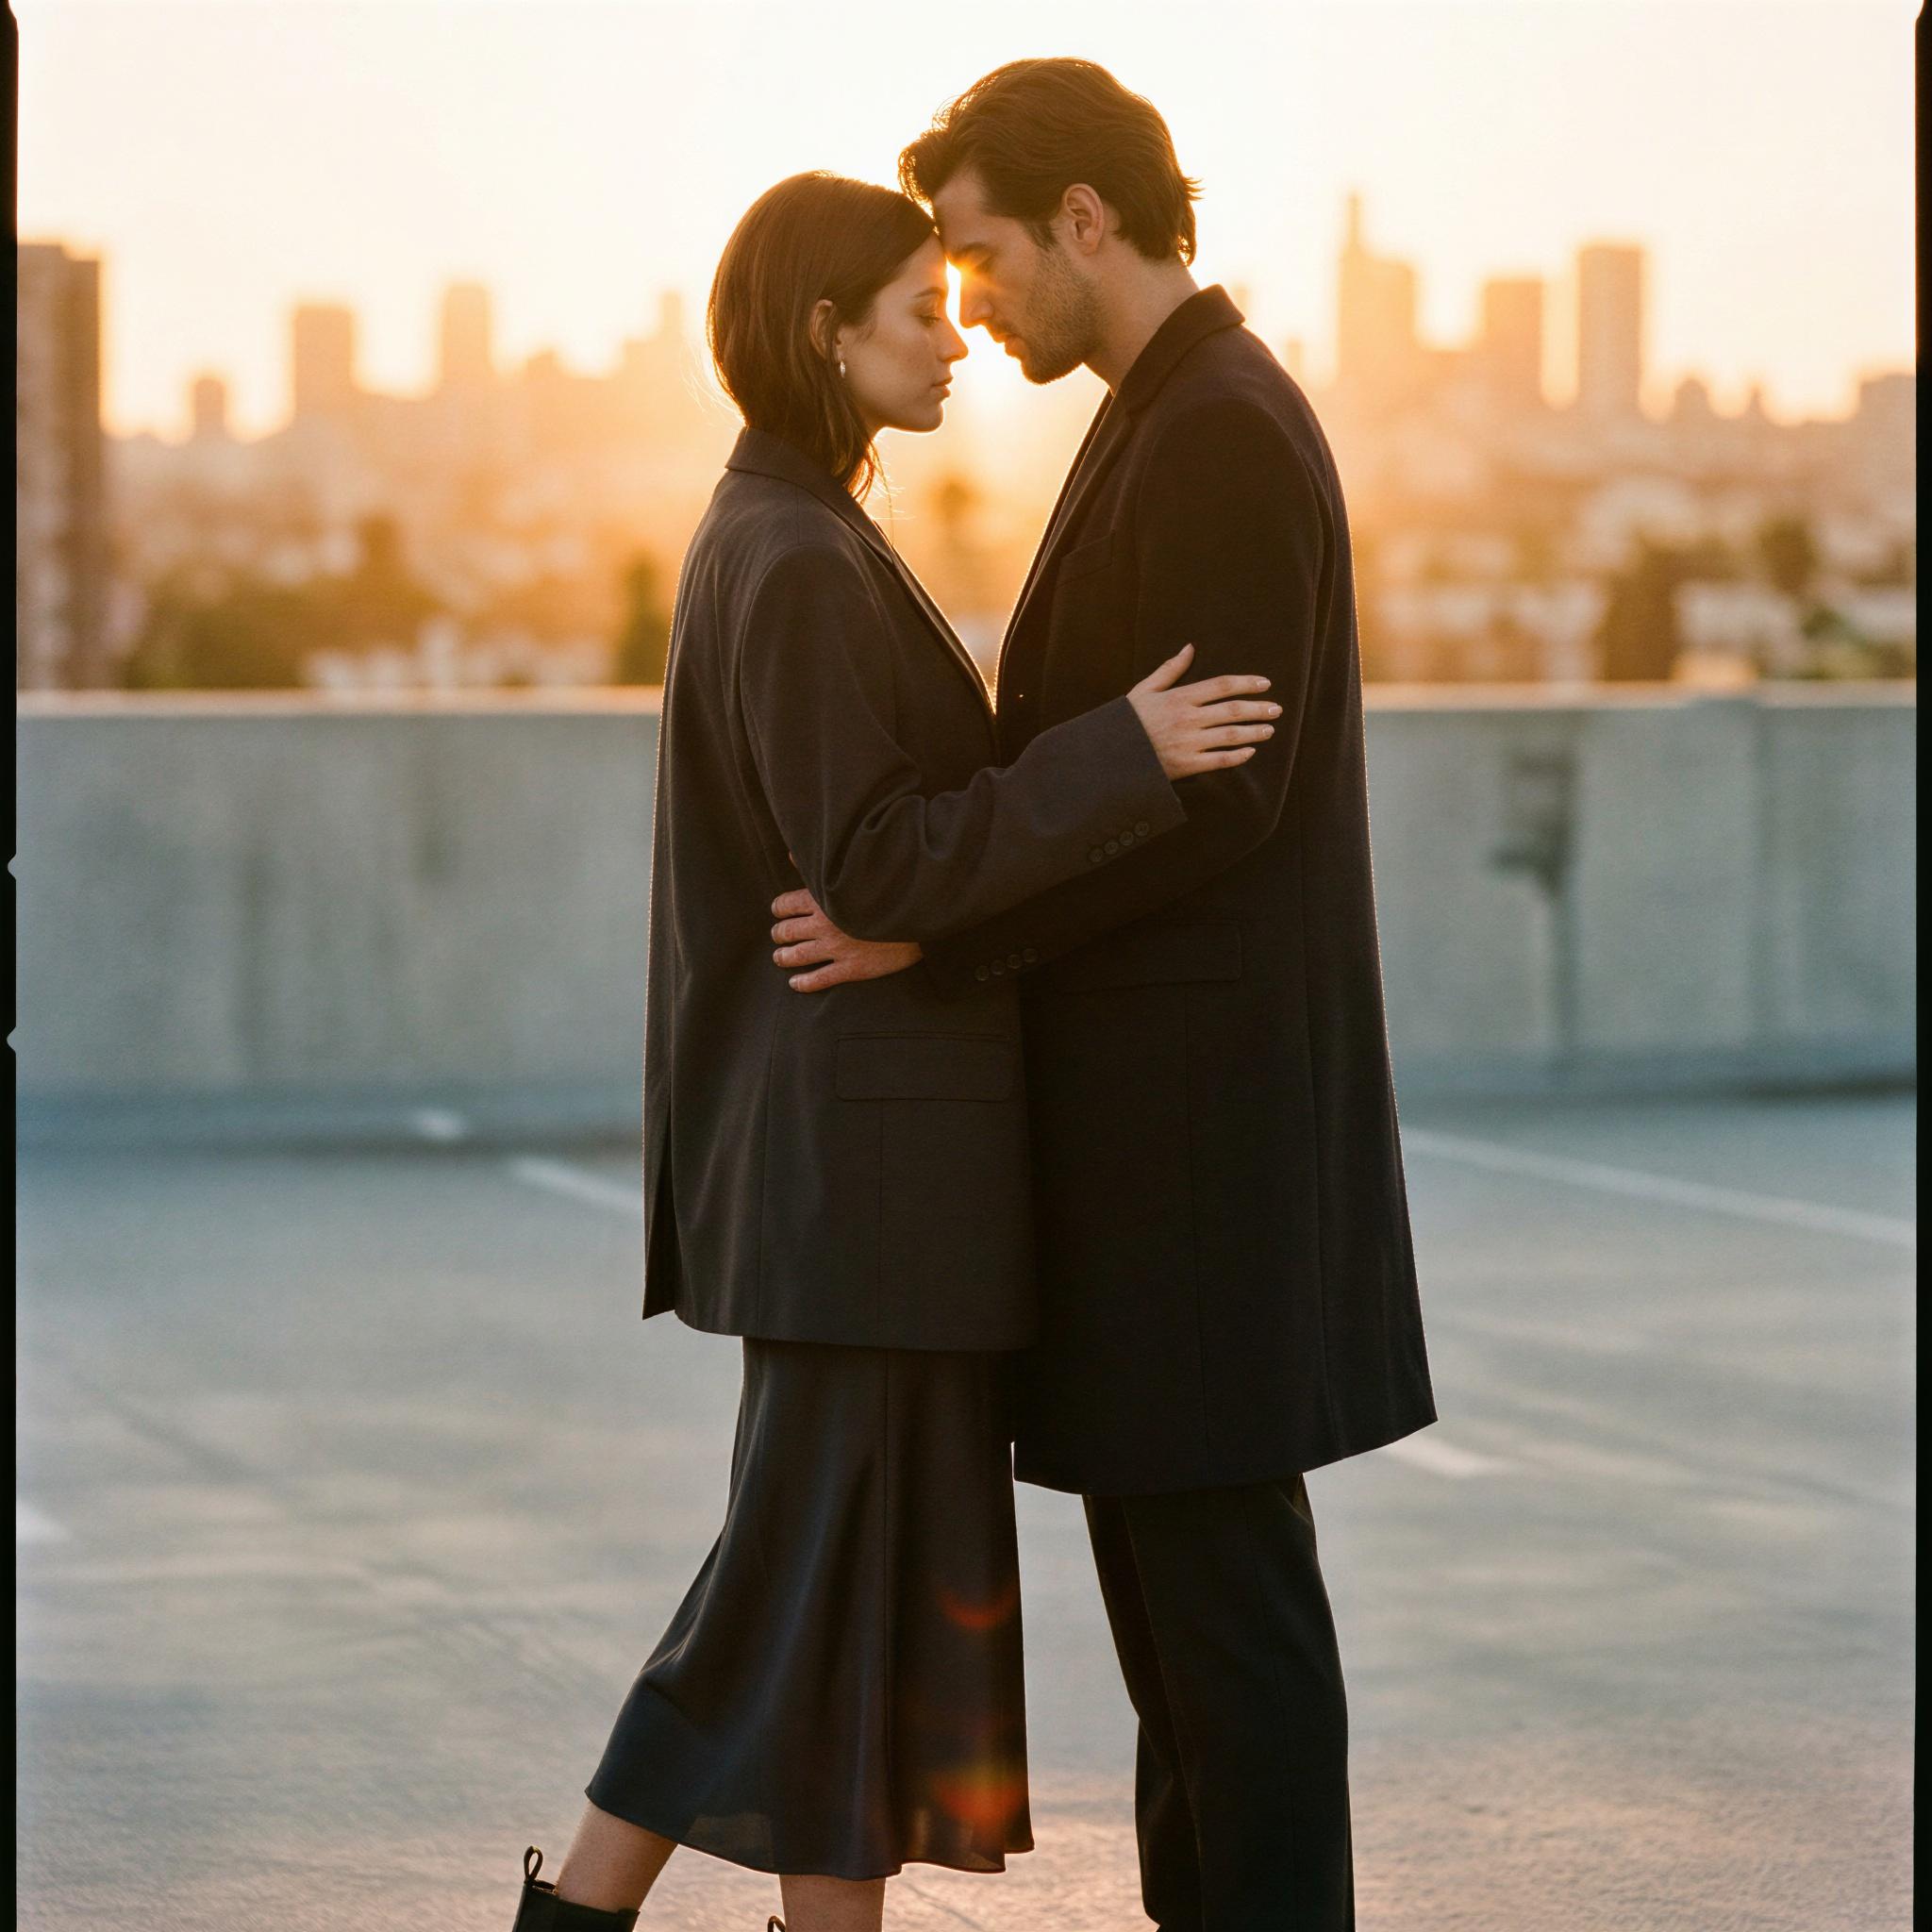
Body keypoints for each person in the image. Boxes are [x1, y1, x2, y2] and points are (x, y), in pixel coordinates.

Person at [509, 169, 1281, 1932]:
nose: (954, 339)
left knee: (826, 1607)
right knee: (798, 1594)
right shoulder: (785, 556)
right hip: (857, 1179)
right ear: (822, 335)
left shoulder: (805, 528)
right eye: (918, 313)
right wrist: (1122, 755)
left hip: (877, 1180)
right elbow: (866, 861)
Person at [769, 61, 1438, 1931]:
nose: (965, 296)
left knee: (1224, 1627)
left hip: (1199, 1150)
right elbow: (1133, 764)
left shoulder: (1217, 425)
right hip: (1168, 1140)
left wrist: (938, 929)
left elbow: (1222, 804)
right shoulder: (1167, 409)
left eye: (978, 252)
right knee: (1183, 1632)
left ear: (1083, 219)